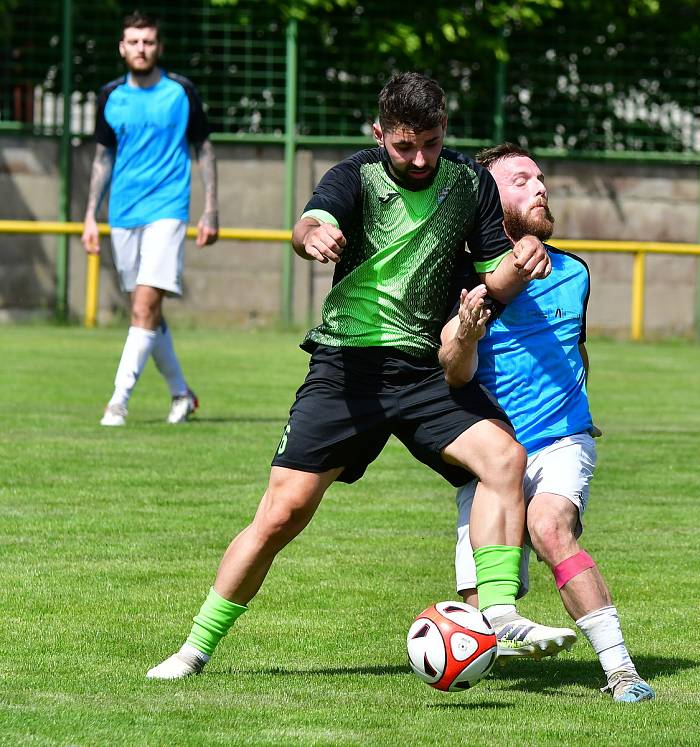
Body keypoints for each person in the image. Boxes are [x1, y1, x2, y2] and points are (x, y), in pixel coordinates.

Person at [147, 73, 558, 680]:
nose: (419, 159)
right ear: (379, 134)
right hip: (346, 370)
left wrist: (519, 263)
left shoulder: (469, 182)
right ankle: (194, 648)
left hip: (423, 370)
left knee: (504, 459)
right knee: (282, 513)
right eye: (404, 146)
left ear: (446, 130)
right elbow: (306, 225)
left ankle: (496, 613)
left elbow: (495, 275)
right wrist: (311, 234)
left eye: (432, 143)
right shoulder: (353, 175)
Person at [439, 143, 655, 703]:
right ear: (485, 199)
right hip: (492, 455)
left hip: (563, 439)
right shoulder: (457, 279)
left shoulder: (574, 272)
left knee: (550, 526)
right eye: (520, 180)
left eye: (540, 178)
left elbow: (575, 349)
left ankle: (623, 673)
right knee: (475, 612)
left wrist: (583, 415)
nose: (540, 187)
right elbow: (454, 378)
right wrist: (465, 329)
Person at [81, 10, 219, 427]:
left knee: (143, 306)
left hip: (167, 209)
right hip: (122, 214)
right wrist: (90, 215)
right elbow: (103, 158)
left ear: (158, 47)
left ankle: (117, 402)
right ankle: (181, 395)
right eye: (134, 42)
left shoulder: (181, 92)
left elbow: (204, 150)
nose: (141, 49)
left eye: (148, 42)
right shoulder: (110, 95)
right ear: (122, 48)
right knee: (145, 313)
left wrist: (210, 208)